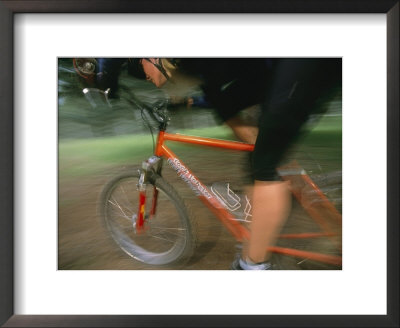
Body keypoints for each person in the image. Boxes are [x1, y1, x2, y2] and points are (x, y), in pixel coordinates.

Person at [80, 57, 341, 270]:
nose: (142, 74)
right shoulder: (200, 69)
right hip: (281, 70)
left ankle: (252, 265)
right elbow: (223, 102)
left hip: (304, 60)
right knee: (259, 156)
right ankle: (274, 218)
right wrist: (189, 103)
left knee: (264, 164)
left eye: (140, 65)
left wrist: (104, 74)